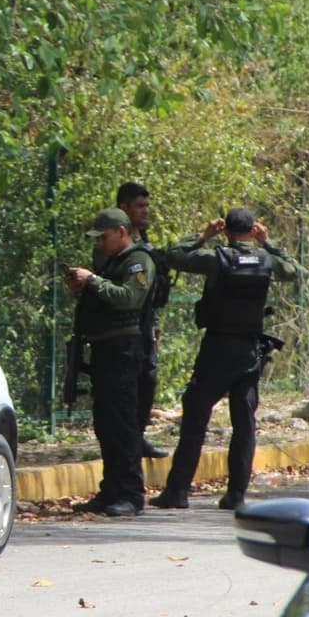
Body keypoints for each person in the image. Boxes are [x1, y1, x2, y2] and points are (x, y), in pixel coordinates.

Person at [149, 209, 299, 511]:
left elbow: (174, 256)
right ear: (253, 231)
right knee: (244, 423)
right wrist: (267, 243)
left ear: (226, 231)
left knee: (196, 416)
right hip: (249, 351)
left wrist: (203, 235)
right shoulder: (264, 260)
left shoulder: (217, 259)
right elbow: (293, 270)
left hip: (218, 348)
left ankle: (178, 491)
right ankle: (236, 494)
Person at [64, 207, 155, 517]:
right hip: (105, 350)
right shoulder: (112, 261)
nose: (100, 243)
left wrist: (93, 281)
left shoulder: (138, 260)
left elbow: (130, 297)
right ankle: (111, 490)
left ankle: (131, 493)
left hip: (125, 352)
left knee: (123, 425)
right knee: (106, 424)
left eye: (104, 237)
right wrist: (85, 287)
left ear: (121, 232)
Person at [115, 182, 171, 459]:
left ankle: (138, 437)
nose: (145, 211)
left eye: (147, 205)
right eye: (139, 206)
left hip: (145, 321)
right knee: (127, 387)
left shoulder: (143, 240)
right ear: (124, 207)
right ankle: (127, 442)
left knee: (148, 379)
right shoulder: (114, 240)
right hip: (124, 325)